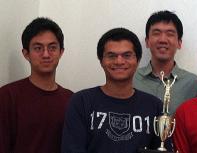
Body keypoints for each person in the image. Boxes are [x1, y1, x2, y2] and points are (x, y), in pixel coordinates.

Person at [61, 28, 163, 153]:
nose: (119, 61)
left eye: (127, 55)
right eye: (111, 56)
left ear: (138, 60)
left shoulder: (155, 106)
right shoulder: (81, 101)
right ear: (101, 61)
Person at [0, 17, 73, 153]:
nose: (46, 54)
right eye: (38, 48)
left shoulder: (71, 99)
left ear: (61, 52)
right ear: (26, 54)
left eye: (52, 47)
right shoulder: (7, 96)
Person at [133, 10, 197, 115]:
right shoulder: (132, 79)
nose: (163, 40)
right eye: (156, 33)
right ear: (147, 42)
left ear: (179, 43)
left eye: (170, 34)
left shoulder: (194, 84)